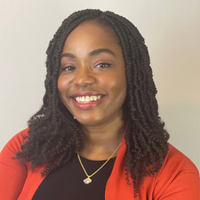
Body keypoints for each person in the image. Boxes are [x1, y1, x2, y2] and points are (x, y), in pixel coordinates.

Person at [0, 9, 199, 200]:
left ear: (131, 72)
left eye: (101, 65)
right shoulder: (27, 147)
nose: (81, 80)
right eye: (69, 67)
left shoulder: (176, 175)